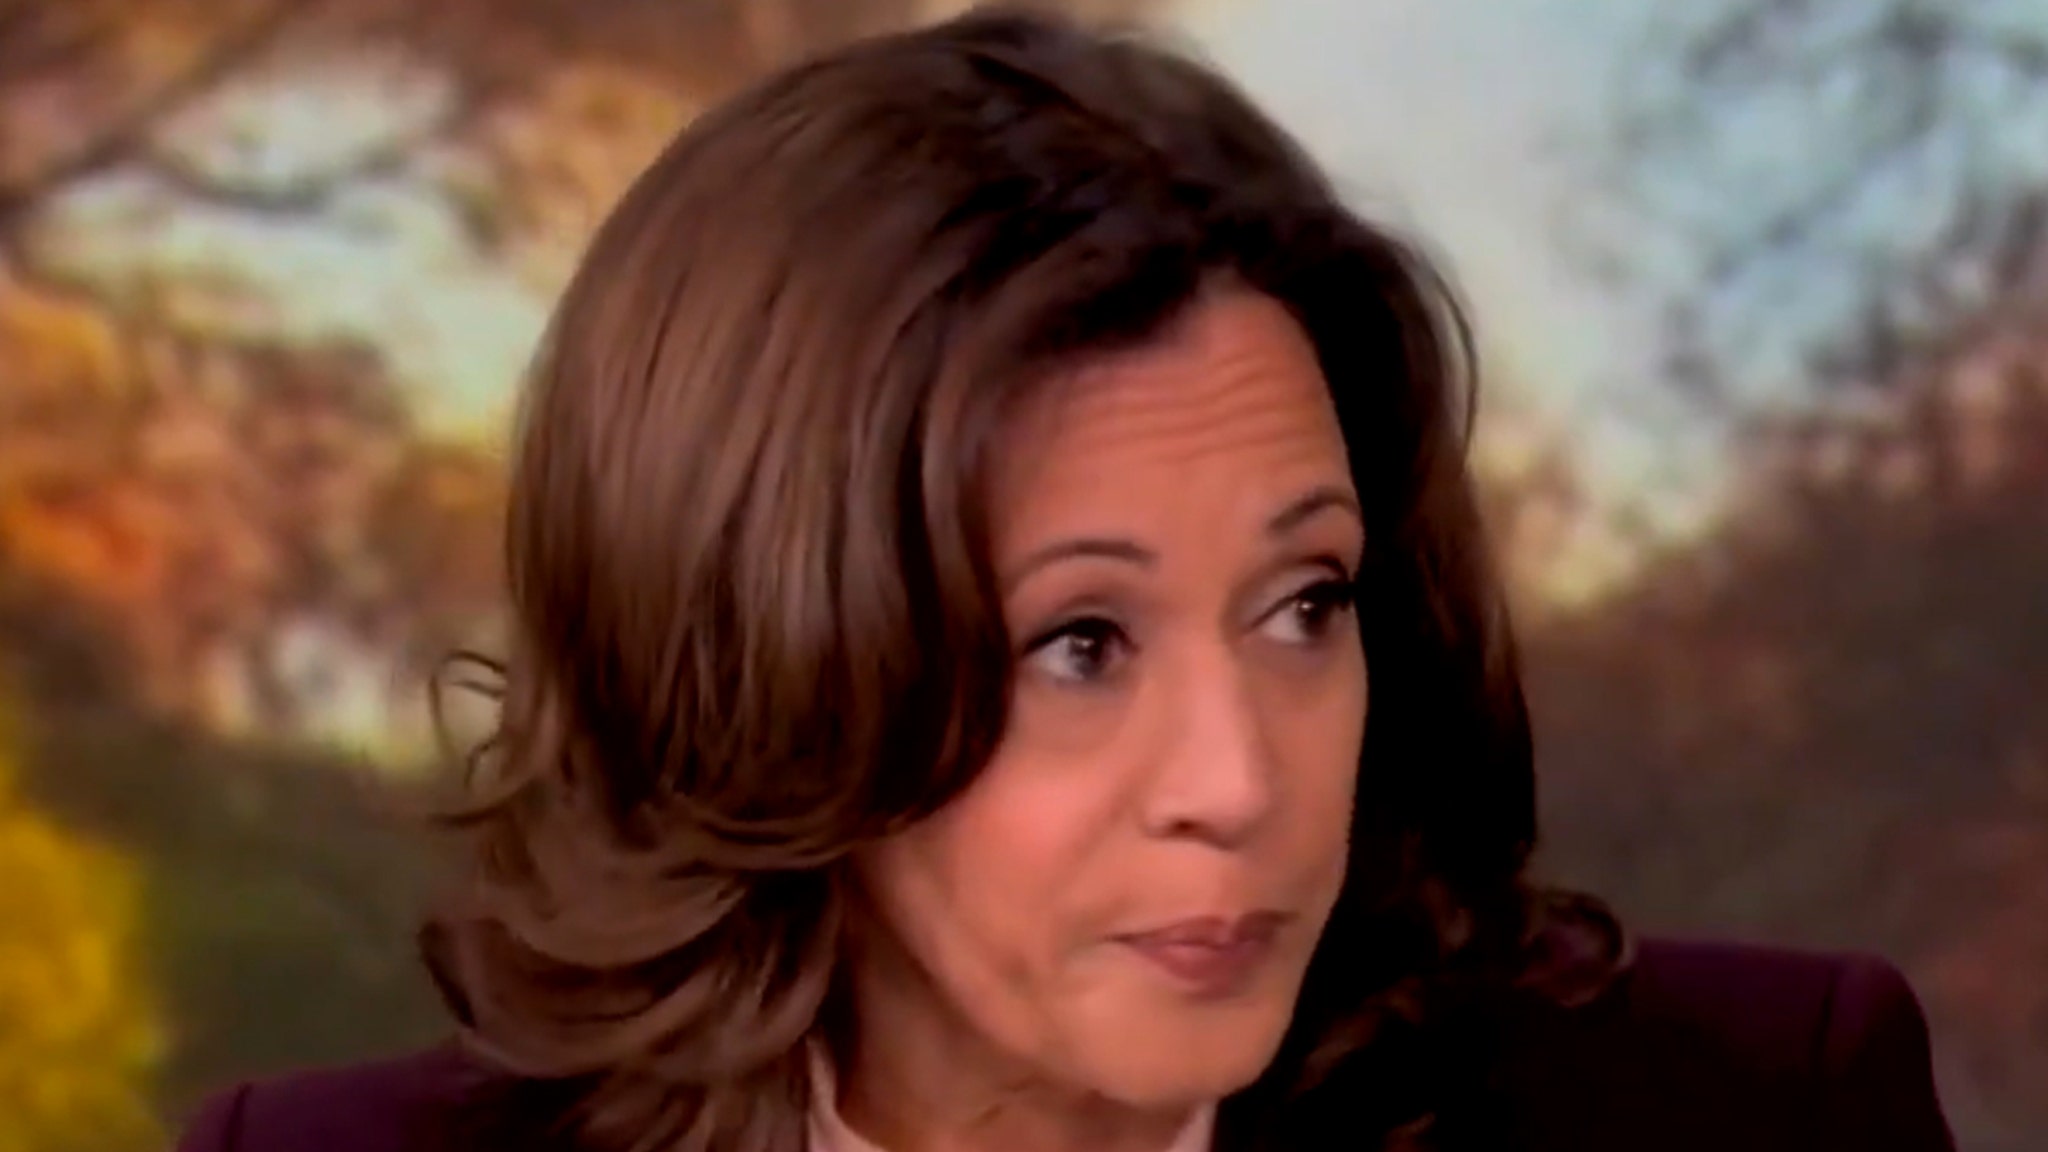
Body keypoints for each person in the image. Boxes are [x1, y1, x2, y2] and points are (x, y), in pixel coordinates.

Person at [174, 7, 1955, 1152]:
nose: (1238, 784)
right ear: (767, 678)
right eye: (1083, 642)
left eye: (1306, 606)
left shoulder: (1763, 1110)